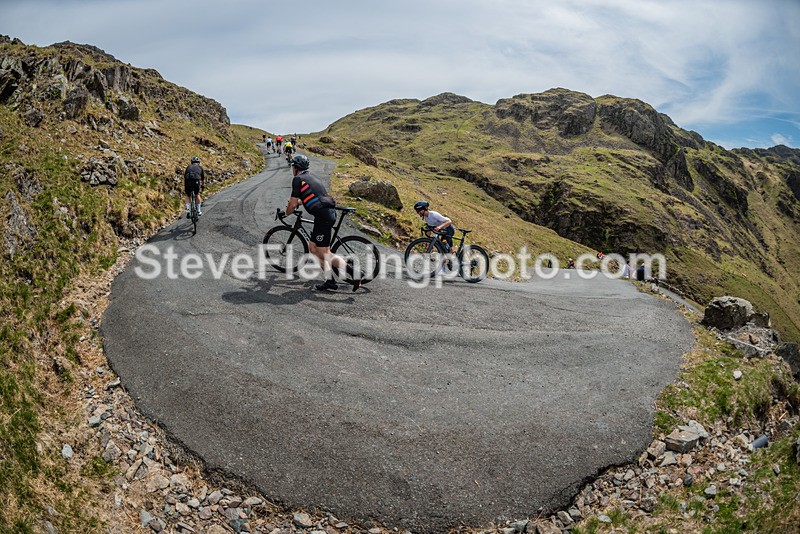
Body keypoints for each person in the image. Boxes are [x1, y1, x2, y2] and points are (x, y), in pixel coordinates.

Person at [282, 154, 362, 292]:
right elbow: (311, 196)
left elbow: (293, 203)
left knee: (323, 253)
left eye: (293, 167)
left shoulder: (297, 179)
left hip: (324, 216)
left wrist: (285, 213)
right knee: (313, 249)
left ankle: (354, 273)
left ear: (296, 168)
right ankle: (330, 280)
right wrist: (301, 202)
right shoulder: (310, 177)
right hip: (324, 214)